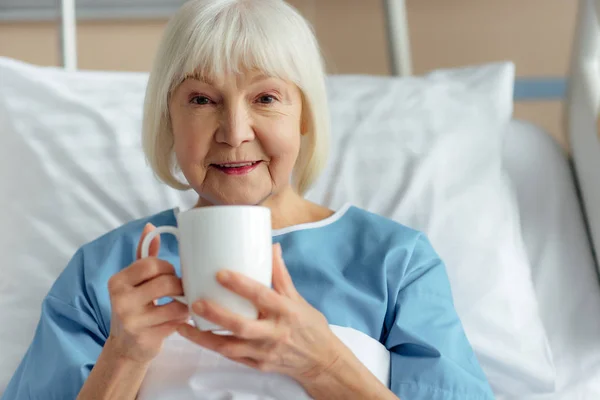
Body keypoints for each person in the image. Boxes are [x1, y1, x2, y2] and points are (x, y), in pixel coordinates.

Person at [2, 0, 494, 399]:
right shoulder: (104, 272)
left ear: (303, 117)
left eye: (265, 98)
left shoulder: (398, 263)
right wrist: (124, 357)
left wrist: (323, 362)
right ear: (169, 120)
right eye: (201, 100)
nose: (234, 134)